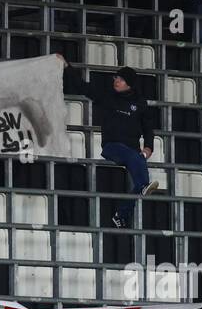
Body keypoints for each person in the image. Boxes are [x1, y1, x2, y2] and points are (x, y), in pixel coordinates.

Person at [60, 58, 158, 229]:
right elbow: (83, 86)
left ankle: (120, 215)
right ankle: (140, 190)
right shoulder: (107, 96)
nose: (116, 81)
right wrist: (67, 66)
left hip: (133, 151)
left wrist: (149, 146)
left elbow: (148, 128)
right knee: (139, 170)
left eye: (120, 79)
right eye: (116, 78)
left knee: (142, 182)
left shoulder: (140, 103)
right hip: (112, 147)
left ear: (129, 84)